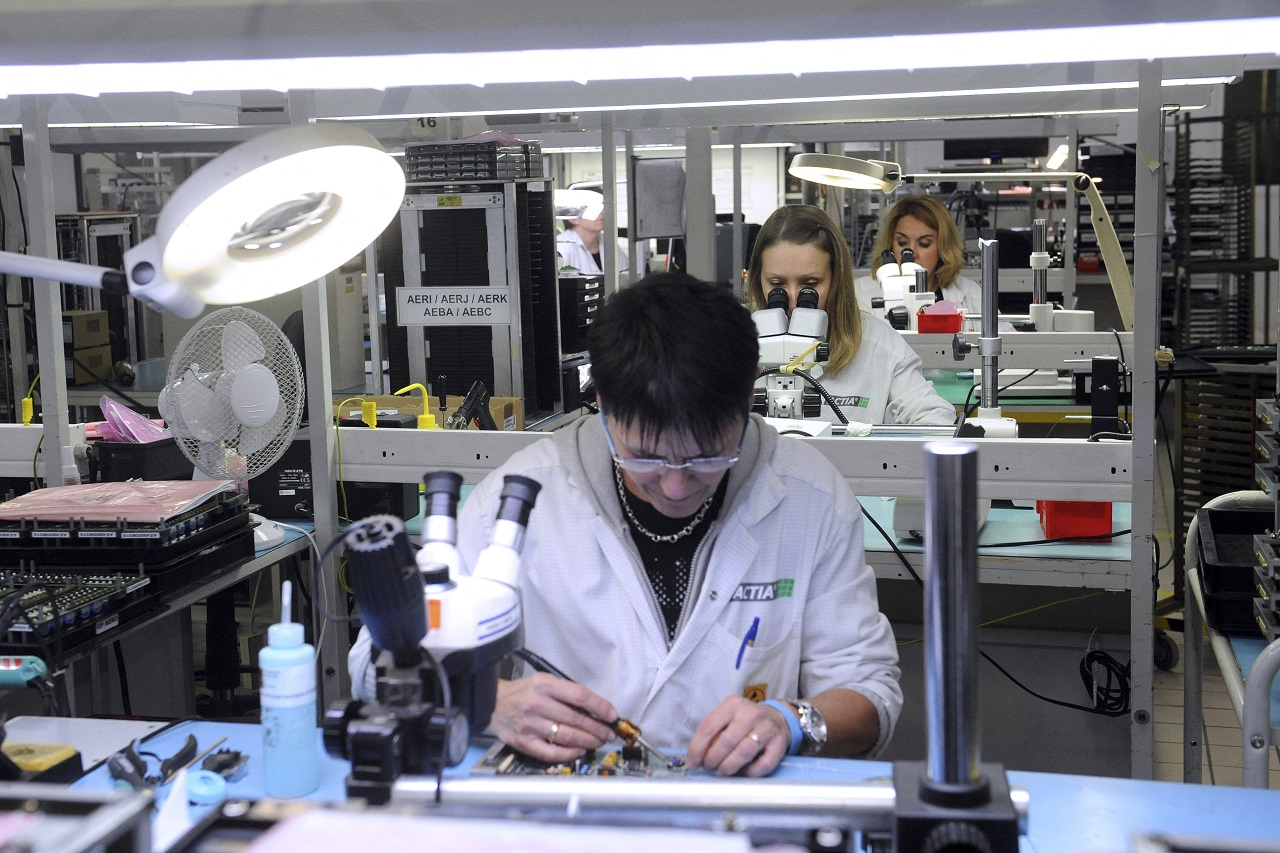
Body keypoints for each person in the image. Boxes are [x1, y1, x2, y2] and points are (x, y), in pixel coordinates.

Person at [350, 272, 902, 777]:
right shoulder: (520, 499)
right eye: (645, 458)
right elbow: (370, 666)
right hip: (567, 814)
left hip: (736, 811)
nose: (677, 485)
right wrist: (489, 703)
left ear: (749, 393)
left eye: (708, 457)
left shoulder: (809, 496)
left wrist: (793, 721)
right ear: (602, 404)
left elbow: (870, 695)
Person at [745, 204, 956, 427]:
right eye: (777, 285)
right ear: (758, 279)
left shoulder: (878, 344)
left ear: (836, 279)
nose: (794, 301)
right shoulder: (733, 343)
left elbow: (933, 416)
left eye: (810, 284)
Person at [854, 194, 982, 322]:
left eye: (924, 244)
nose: (911, 252)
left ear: (943, 249)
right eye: (902, 242)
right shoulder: (859, 294)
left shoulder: (972, 294)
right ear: (890, 245)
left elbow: (1000, 339)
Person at [556, 193, 630, 276]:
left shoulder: (610, 245)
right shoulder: (561, 246)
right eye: (593, 208)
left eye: (601, 206)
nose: (602, 212)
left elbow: (625, 278)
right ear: (573, 218)